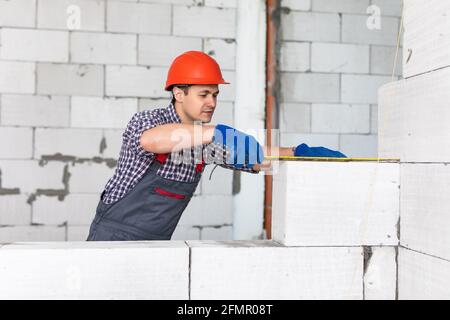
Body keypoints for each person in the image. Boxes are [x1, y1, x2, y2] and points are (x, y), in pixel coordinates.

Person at [86, 51, 346, 241]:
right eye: (203, 95)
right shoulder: (150, 121)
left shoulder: (204, 141)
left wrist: (298, 154)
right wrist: (214, 132)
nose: (211, 102)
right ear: (179, 93)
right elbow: (151, 140)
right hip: (112, 237)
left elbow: (254, 156)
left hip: (156, 243)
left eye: (215, 95)